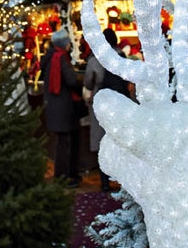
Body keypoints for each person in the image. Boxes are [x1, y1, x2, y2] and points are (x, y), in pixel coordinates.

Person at [84, 28, 133, 192]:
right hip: (121, 102)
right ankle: (122, 180)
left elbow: (88, 83)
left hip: (102, 103)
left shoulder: (95, 59)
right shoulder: (121, 56)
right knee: (120, 140)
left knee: (101, 141)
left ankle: (104, 181)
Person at [40, 30, 84, 187]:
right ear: (65, 43)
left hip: (53, 106)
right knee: (65, 144)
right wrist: (81, 81)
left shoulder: (49, 57)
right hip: (64, 107)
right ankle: (64, 177)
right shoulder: (61, 58)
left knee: (61, 143)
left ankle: (63, 175)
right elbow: (71, 80)